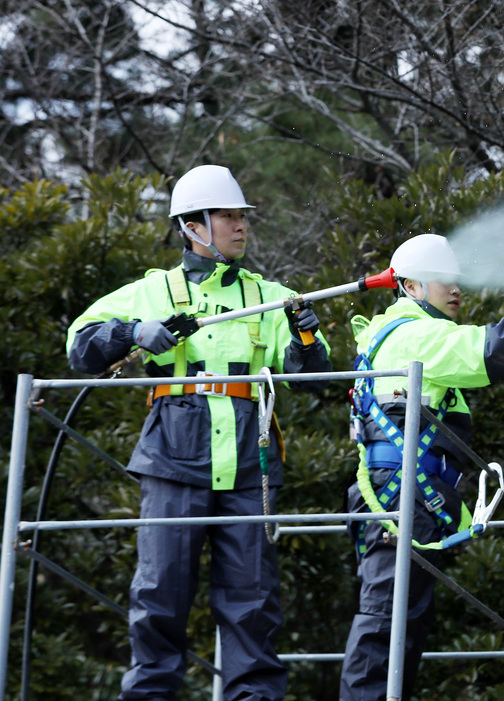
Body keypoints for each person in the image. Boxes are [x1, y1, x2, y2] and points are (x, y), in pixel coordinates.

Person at [66, 165, 331, 701]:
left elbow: (313, 380)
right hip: (172, 456)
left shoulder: (274, 296)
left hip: (249, 462)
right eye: (228, 216)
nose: (240, 226)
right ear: (192, 226)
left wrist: (305, 332)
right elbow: (79, 345)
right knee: (160, 594)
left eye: (241, 217)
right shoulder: (151, 291)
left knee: (252, 601)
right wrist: (131, 331)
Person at [339, 233, 504, 701]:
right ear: (412, 287)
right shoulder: (415, 334)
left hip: (403, 497)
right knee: (387, 618)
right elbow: (490, 349)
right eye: (443, 281)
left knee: (403, 621)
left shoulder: (401, 333)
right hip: (398, 498)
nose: (456, 289)